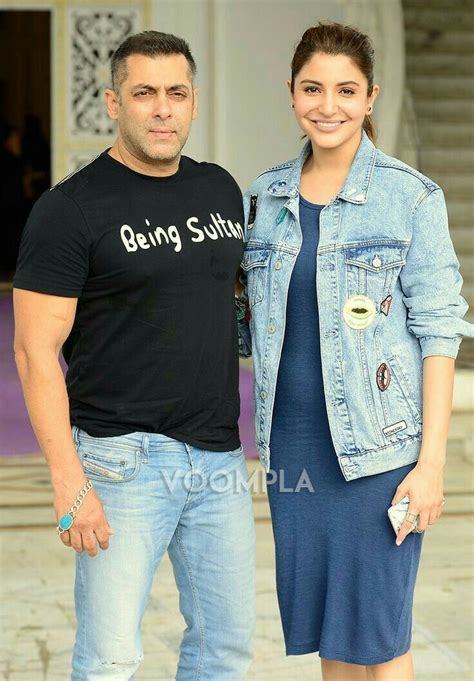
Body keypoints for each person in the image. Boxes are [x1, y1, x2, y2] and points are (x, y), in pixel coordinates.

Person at [13, 31, 255, 680]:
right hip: (121, 463)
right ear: (113, 102)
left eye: (176, 92)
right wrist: (70, 482)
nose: (162, 108)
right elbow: (35, 352)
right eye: (143, 92)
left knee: (224, 650)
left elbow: (229, 303)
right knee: (110, 659)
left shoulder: (220, 190)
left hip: (220, 461)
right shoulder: (68, 210)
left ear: (195, 102)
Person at [236, 21, 473, 681]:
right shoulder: (263, 198)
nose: (328, 105)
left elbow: (438, 332)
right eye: (313, 88)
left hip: (379, 457)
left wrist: (430, 466)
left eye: (346, 90)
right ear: (292, 94)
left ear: (371, 97)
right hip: (295, 456)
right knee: (332, 641)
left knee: (381, 638)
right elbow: (244, 321)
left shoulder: (410, 198)